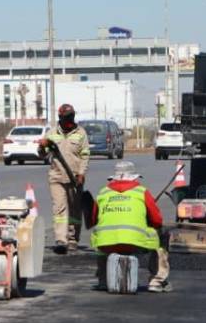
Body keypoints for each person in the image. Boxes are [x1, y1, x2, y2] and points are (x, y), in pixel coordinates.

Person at [90, 160, 170, 293]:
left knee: (100, 238)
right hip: (134, 242)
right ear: (134, 177)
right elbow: (157, 220)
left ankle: (103, 280)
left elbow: (94, 218)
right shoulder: (141, 192)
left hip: (106, 244)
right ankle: (157, 280)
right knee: (161, 236)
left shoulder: (103, 193)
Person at [39, 103, 90, 254]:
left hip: (75, 177)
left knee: (74, 210)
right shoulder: (52, 133)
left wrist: (81, 173)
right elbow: (43, 154)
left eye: (71, 116)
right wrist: (42, 147)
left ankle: (73, 238)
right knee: (59, 208)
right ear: (60, 118)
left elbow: (85, 155)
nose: (69, 120)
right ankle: (61, 239)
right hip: (57, 176)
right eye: (66, 117)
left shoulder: (81, 133)